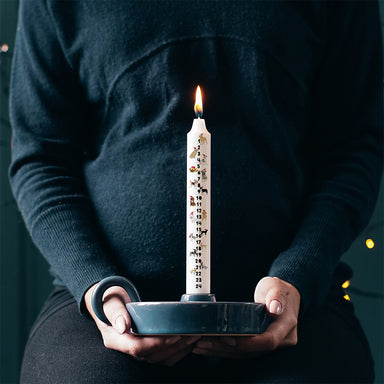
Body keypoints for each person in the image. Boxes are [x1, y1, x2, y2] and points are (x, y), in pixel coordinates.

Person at [9, 0, 382, 383]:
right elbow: (41, 156)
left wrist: (299, 275)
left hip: (293, 303)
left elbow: (353, 149)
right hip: (106, 307)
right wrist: (95, 287)